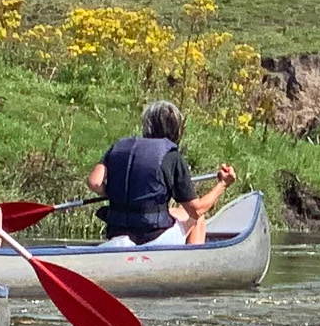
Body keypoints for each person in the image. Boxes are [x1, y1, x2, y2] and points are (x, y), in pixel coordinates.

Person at [88, 99, 237, 245]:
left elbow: (94, 182)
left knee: (174, 212)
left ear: (147, 125)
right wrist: (223, 184)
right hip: (153, 238)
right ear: (176, 128)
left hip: (117, 234)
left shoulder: (119, 147)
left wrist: (111, 193)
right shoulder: (171, 156)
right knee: (198, 218)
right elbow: (196, 210)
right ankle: (192, 267)